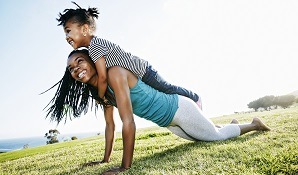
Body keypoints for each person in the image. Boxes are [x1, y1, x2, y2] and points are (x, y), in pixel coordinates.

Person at [45, 49, 271, 174]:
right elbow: (110, 126)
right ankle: (230, 125)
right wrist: (104, 160)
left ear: (94, 61)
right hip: (170, 122)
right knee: (204, 137)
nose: (76, 69)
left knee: (214, 138)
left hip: (179, 108)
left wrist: (124, 167)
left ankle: (254, 123)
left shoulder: (114, 73)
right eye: (72, 68)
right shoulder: (101, 92)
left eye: (80, 61)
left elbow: (128, 122)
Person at [56, 2, 203, 110]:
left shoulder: (95, 47)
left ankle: (194, 97)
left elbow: (102, 77)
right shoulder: (94, 46)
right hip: (137, 74)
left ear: (84, 29)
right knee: (163, 93)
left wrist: (101, 97)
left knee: (167, 89)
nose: (66, 37)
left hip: (143, 71)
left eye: (68, 31)